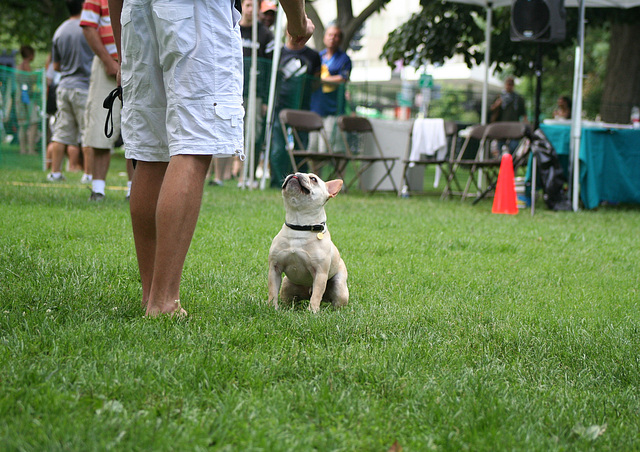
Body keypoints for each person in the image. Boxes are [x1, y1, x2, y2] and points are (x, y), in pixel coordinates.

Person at [108, 0, 314, 316]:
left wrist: (124, 52)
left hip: (136, 12)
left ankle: (151, 295)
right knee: (193, 145)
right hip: (196, 13)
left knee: (151, 153)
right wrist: (298, 21)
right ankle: (163, 303)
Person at [81, 0, 127, 201]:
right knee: (100, 126)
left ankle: (134, 191)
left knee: (141, 130)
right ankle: (98, 188)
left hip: (139, 62)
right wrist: (109, 63)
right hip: (105, 64)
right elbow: (89, 26)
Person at [47, 0, 94, 183]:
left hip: (64, 87)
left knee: (61, 132)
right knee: (87, 132)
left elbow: (56, 66)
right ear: (83, 6)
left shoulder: (60, 30)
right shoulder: (88, 29)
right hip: (83, 86)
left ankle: (55, 172)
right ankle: (88, 175)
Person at [269, 32, 321, 187]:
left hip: (302, 109)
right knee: (278, 147)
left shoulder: (313, 56)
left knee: (301, 147)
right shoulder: (277, 53)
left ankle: (302, 184)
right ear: (286, 31)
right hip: (279, 107)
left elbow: (316, 81)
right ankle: (277, 181)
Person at [310, 25, 352, 153]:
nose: (333, 38)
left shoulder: (344, 59)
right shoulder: (318, 56)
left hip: (333, 110)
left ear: (340, 39)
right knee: (313, 147)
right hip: (315, 108)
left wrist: (321, 80)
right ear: (324, 37)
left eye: (336, 36)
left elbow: (342, 79)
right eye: (330, 35)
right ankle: (313, 173)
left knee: (325, 148)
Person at [15, 45, 41, 155]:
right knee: (33, 122)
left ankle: (23, 149)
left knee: (22, 125)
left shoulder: (17, 67)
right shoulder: (26, 66)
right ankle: (30, 149)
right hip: (27, 98)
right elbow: (32, 80)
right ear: (30, 55)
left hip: (19, 97)